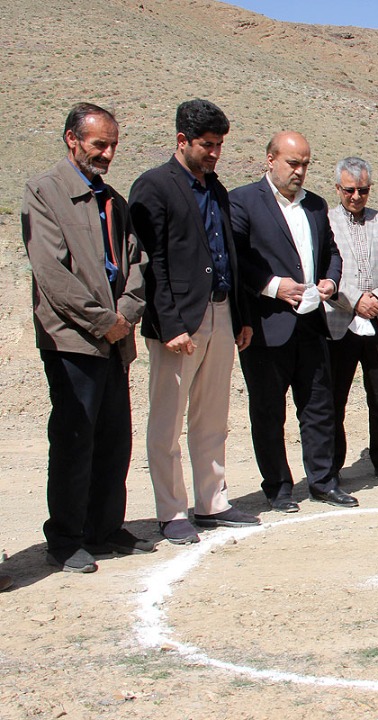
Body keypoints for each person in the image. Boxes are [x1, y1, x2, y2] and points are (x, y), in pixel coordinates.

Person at [21, 103, 152, 573]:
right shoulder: (44, 192)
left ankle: (105, 528)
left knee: (115, 437)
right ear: (72, 139)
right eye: (100, 144)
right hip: (74, 341)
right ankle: (67, 536)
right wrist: (102, 320)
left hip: (116, 339)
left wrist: (127, 314)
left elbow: (137, 263)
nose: (109, 153)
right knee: (76, 437)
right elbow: (52, 273)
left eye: (113, 144)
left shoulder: (112, 198)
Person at [129, 99, 259, 546]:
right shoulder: (153, 186)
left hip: (221, 313)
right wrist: (169, 324)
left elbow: (229, 258)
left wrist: (239, 315)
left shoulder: (217, 190)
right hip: (179, 322)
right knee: (168, 419)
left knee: (213, 416)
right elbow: (153, 263)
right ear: (181, 140)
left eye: (220, 145)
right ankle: (170, 510)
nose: (215, 153)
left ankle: (212, 501)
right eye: (207, 145)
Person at [231, 131, 356, 512]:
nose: (299, 171)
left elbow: (332, 252)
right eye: (292, 163)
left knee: (319, 407)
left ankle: (323, 481)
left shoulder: (316, 206)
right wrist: (272, 286)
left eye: (305, 164)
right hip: (267, 325)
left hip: (311, 323)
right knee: (269, 411)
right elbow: (237, 257)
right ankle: (278, 487)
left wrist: (332, 281)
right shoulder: (243, 201)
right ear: (270, 159)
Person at [325, 157, 378, 483]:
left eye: (362, 190)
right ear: (338, 189)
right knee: (335, 398)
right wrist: (354, 300)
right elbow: (323, 269)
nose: (356, 196)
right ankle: (331, 464)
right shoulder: (325, 221)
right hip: (339, 323)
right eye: (349, 190)